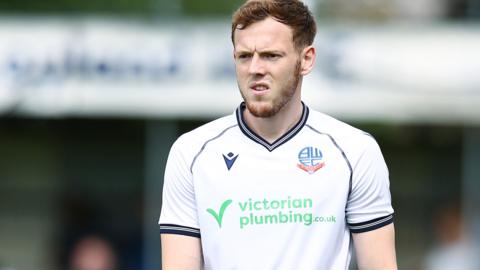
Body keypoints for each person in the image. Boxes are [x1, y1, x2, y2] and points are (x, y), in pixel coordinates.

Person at [159, 0, 397, 269]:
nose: (255, 69)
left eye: (271, 55)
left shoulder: (355, 151)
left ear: (306, 59)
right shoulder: (191, 153)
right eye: (245, 56)